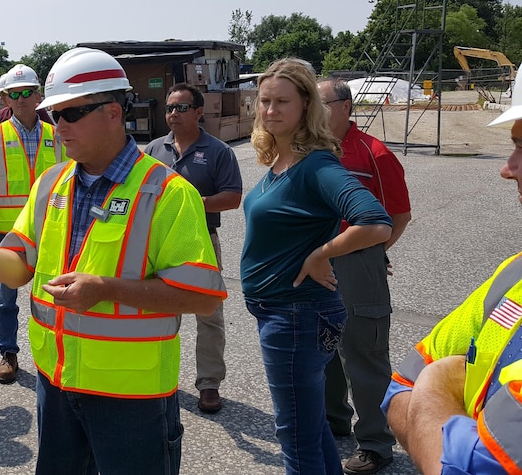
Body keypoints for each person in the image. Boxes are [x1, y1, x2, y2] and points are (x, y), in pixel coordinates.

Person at [0, 48, 225, 474]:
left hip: (131, 398)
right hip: (56, 387)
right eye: (54, 114)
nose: (58, 126)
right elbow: (20, 266)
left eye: (69, 114)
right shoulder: (51, 184)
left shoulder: (167, 192)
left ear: (113, 112)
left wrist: (107, 289)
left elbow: (203, 298)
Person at [241, 58, 392, 474]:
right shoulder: (281, 161)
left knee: (295, 435)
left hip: (295, 314)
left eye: (282, 102)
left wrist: (321, 253)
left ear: (307, 105)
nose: (270, 110)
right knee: (312, 427)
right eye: (265, 101)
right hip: (286, 312)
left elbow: (376, 222)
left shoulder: (317, 165)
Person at [382, 73, 522, 475]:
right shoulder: (513, 274)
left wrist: (440, 383)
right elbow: (399, 388)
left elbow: (462, 468)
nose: (507, 169)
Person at [317, 78, 412, 475]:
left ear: (346, 107)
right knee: (324, 349)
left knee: (364, 353)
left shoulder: (375, 153)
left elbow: (399, 214)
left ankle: (374, 443)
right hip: (317, 262)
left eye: (320, 102)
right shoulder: (311, 152)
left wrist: (372, 255)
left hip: (357, 263)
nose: (313, 110)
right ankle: (333, 421)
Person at [144, 82, 243, 414]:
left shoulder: (218, 151)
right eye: (170, 108)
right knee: (158, 309)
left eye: (182, 108)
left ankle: (209, 384)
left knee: (209, 314)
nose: (173, 114)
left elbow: (232, 197)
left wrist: (195, 203)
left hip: (201, 241)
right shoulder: (154, 150)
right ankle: (156, 377)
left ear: (199, 112)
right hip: (157, 243)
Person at [0, 64, 63, 384]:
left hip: (53, 228)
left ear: (39, 95)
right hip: (10, 232)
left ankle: (55, 352)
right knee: (7, 296)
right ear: (5, 99)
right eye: (14, 94)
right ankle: (8, 353)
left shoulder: (56, 134)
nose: (21, 99)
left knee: (54, 294)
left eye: (27, 92)